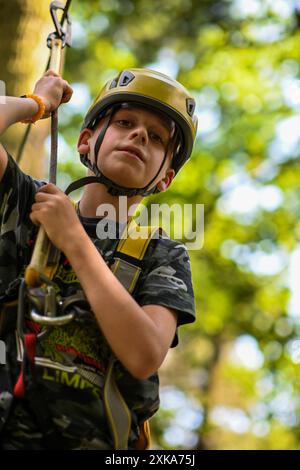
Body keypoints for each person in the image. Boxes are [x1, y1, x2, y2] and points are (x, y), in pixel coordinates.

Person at [0, 68, 197, 450]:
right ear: (86, 141)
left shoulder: (160, 254)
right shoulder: (29, 206)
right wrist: (35, 104)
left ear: (164, 179)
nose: (139, 135)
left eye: (156, 137)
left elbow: (144, 355)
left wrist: (74, 239)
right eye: (124, 122)